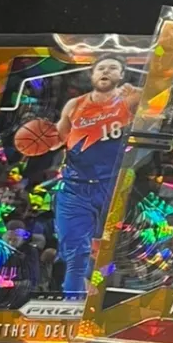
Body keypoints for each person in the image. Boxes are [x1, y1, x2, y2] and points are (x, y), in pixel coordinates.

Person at [52, 57, 139, 299]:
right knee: (75, 253)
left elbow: (162, 103)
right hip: (74, 186)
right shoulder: (74, 105)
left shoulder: (129, 100)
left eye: (112, 68)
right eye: (101, 68)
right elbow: (57, 139)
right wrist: (38, 140)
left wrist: (140, 91)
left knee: (103, 251)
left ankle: (95, 300)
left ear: (121, 75)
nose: (105, 71)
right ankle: (72, 302)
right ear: (92, 75)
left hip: (111, 185)